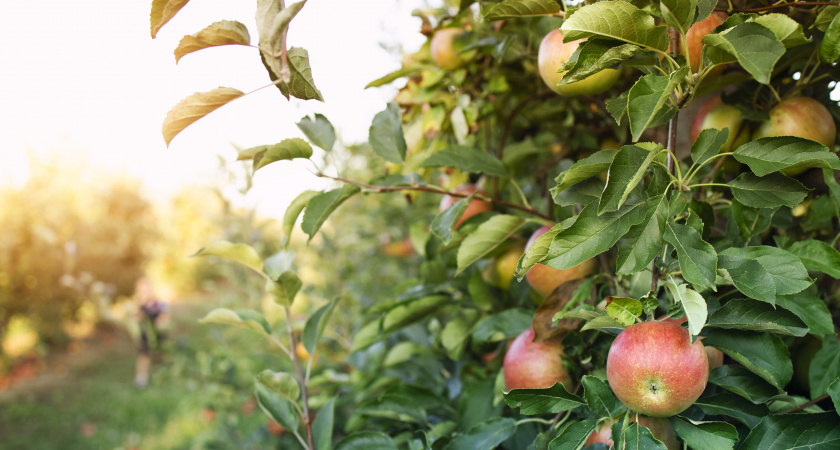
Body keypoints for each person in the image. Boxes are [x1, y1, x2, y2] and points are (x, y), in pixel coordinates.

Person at [133, 277, 168, 388]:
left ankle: (165, 374)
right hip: (146, 334)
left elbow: (164, 315)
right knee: (144, 354)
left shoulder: (157, 303)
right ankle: (141, 377)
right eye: (142, 290)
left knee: (163, 352)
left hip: (158, 332)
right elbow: (136, 318)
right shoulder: (139, 305)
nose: (145, 292)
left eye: (147, 289)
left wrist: (162, 321)